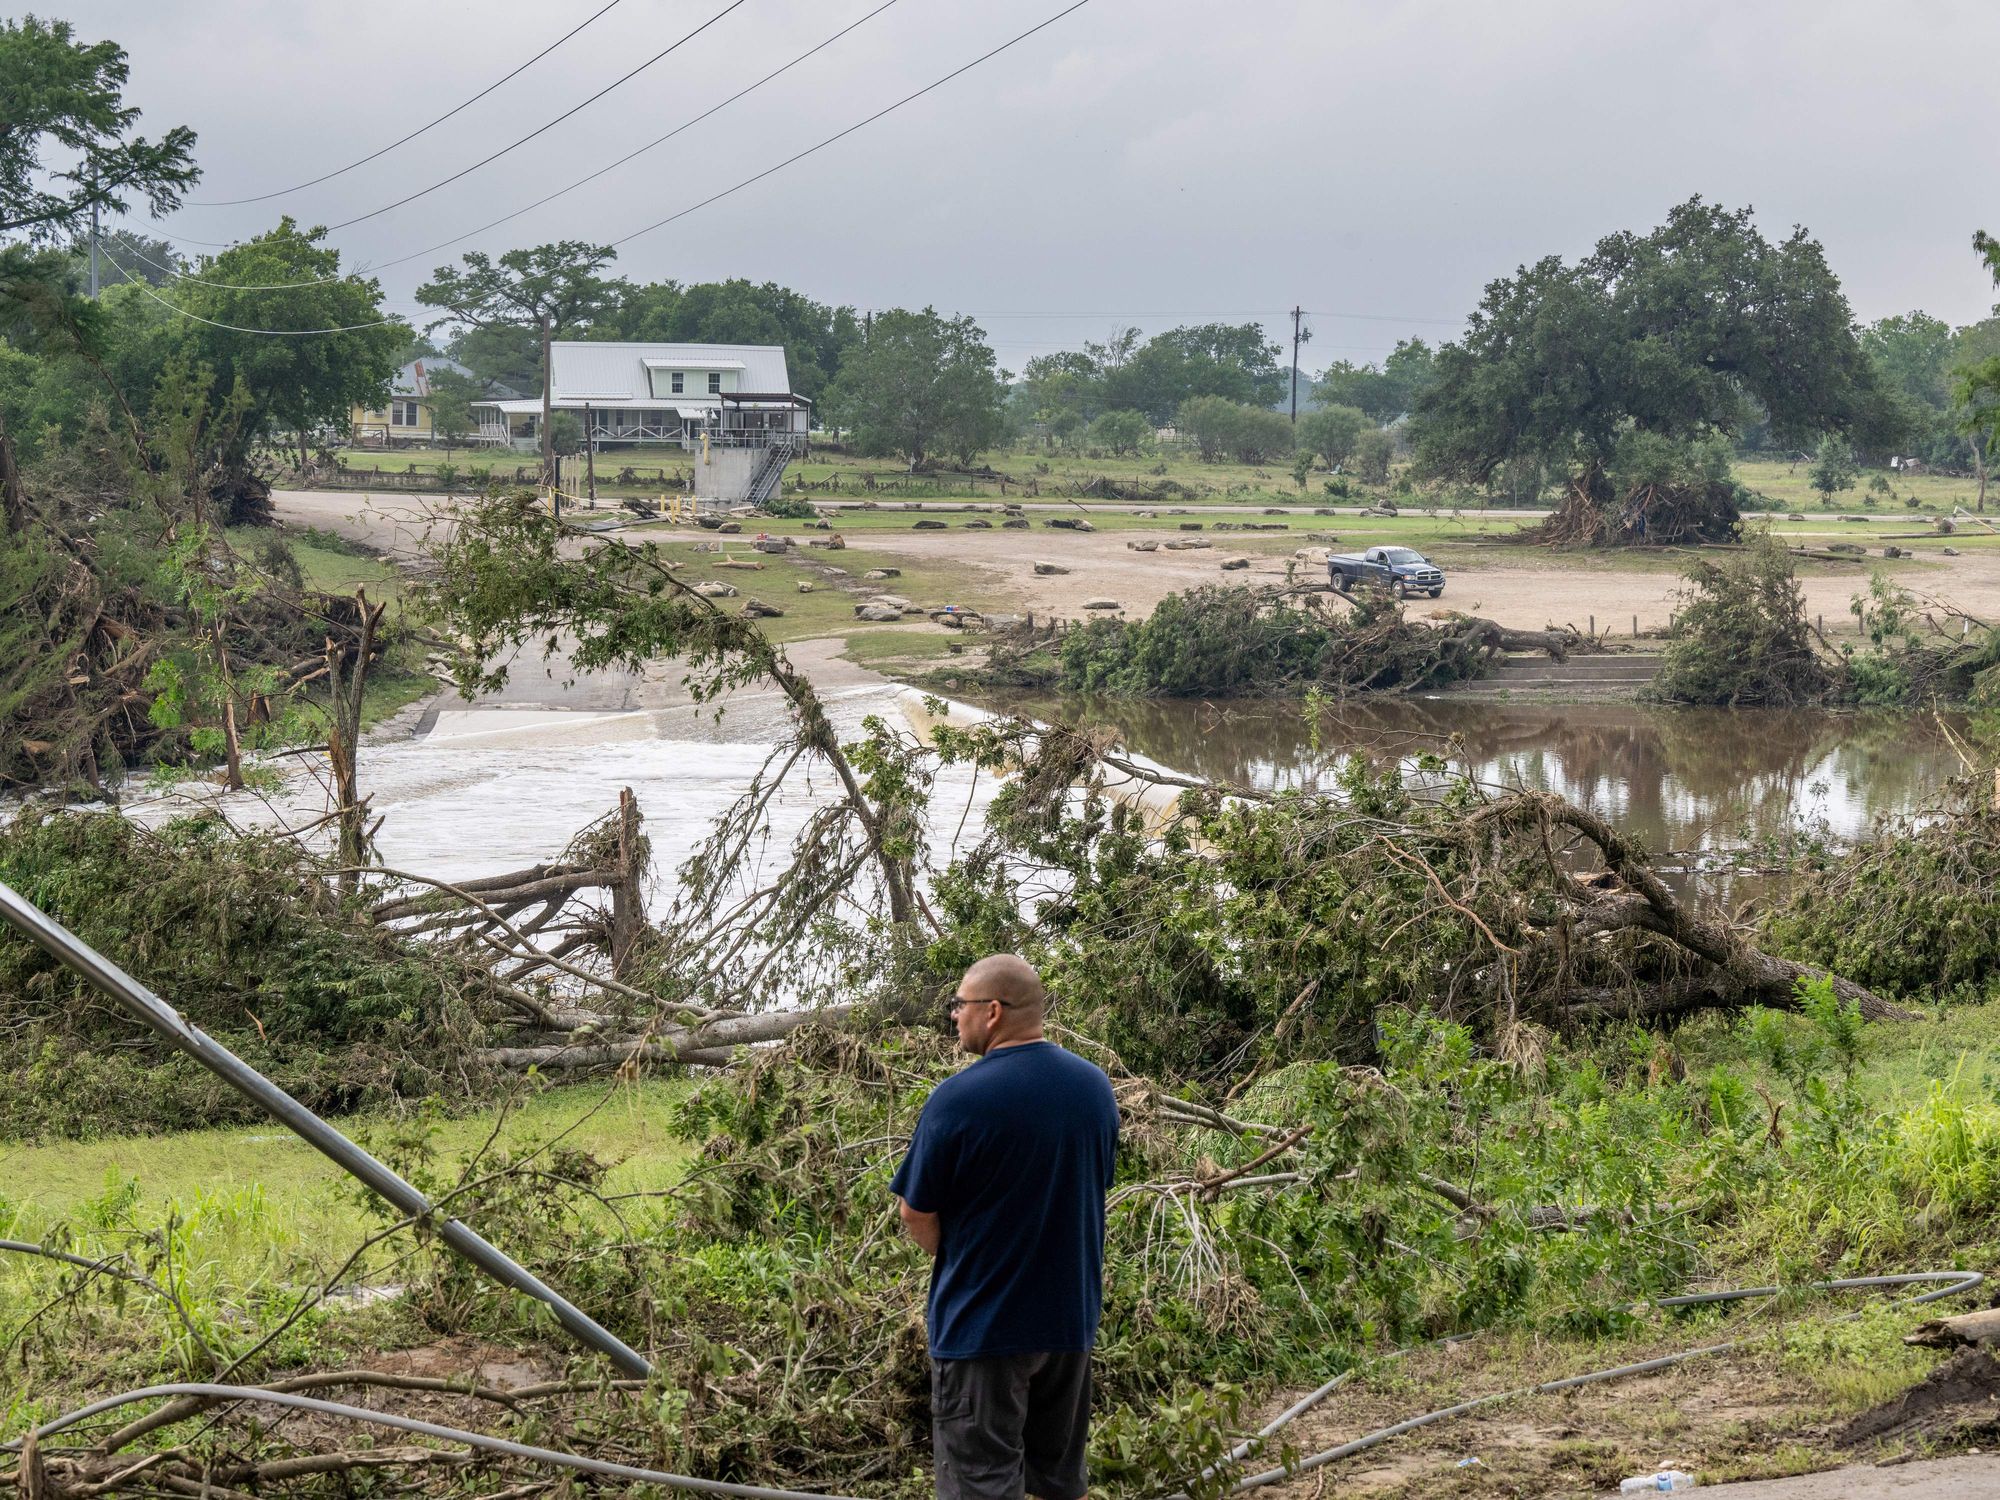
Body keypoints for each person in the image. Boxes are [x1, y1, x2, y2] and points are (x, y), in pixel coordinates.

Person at [890, 955, 1120, 1500]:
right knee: (1058, 1483)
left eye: (960, 1005)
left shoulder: (958, 1099)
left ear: (992, 1012)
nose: (954, 1016)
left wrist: (972, 1263)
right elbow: (1091, 1187)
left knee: (982, 1484)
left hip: (983, 1331)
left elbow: (915, 1213)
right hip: (1069, 1324)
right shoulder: (1093, 1089)